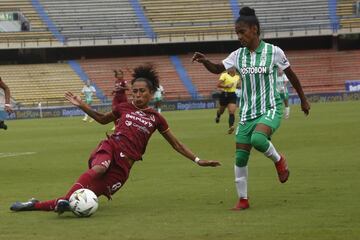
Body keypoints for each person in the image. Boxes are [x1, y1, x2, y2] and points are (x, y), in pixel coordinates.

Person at [10, 64, 221, 214]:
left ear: (151, 93)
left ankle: (34, 205)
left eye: (142, 92)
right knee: (98, 170)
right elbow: (102, 120)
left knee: (84, 197)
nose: (137, 95)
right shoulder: (123, 108)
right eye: (135, 91)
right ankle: (65, 200)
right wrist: (82, 106)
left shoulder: (157, 118)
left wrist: (197, 160)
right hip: (111, 147)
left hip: (124, 167)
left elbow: (176, 144)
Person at [192, 6, 310, 210]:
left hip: (270, 108)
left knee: (258, 139)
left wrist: (303, 99)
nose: (239, 36)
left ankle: (279, 160)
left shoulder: (274, 52)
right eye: (237, 32)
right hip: (247, 113)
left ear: (254, 29)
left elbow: (291, 75)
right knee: (240, 157)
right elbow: (218, 69)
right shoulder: (238, 55)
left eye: (242, 32)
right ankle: (243, 200)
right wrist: (205, 62)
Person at [215, 67, 240, 134]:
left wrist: (239, 86)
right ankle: (218, 115)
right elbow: (218, 85)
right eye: (229, 68)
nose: (231, 69)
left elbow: (238, 85)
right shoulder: (224, 75)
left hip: (232, 95)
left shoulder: (237, 77)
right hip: (224, 94)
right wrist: (226, 86)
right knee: (221, 111)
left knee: (231, 112)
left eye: (232, 68)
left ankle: (231, 127)